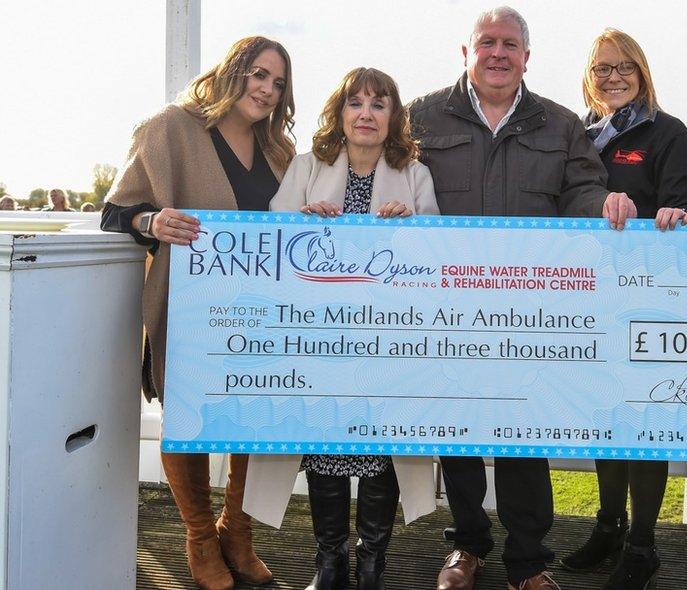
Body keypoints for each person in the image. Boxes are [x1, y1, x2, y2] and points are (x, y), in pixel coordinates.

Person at [408, 7, 637, 590]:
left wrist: (605, 204)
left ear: (527, 57)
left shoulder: (560, 126)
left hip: (529, 316)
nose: (498, 53)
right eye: (487, 42)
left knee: (523, 438)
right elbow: (387, 180)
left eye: (511, 43)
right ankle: (465, 547)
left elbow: (584, 188)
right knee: (455, 434)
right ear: (466, 52)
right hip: (445, 310)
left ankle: (528, 561)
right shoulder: (420, 118)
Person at [100, 36, 296, 590]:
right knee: (188, 417)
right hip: (191, 307)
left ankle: (237, 532)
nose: (266, 89)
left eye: (278, 83)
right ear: (232, 71)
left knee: (251, 418)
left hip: (262, 311)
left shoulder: (279, 150)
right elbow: (118, 210)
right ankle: (199, 538)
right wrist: (151, 223)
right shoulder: (171, 127)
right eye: (258, 74)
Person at [269, 67, 438, 590]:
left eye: (379, 104)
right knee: (325, 446)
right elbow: (271, 236)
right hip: (320, 340)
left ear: (394, 117)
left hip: (386, 342)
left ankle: (372, 562)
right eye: (356, 103)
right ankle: (329, 561)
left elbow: (437, 252)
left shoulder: (415, 173)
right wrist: (302, 218)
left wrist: (410, 224)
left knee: (379, 449)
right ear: (339, 114)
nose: (366, 113)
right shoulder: (306, 166)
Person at [558, 28, 687, 590]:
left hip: (649, 303)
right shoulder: (581, 135)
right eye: (602, 68)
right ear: (588, 76)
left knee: (644, 425)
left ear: (643, 72)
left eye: (624, 66)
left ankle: (642, 545)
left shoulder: (666, 132)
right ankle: (609, 527)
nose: (613, 76)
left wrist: (678, 213)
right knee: (607, 422)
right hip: (592, 302)